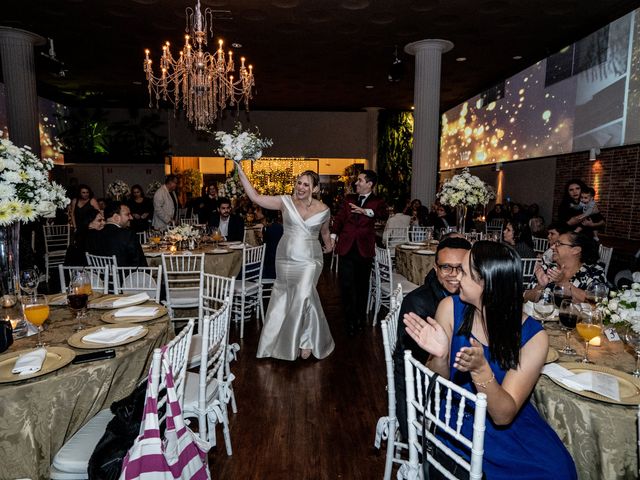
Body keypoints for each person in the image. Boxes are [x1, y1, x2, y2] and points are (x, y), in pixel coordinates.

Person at [403, 241, 577, 479]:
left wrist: (482, 372)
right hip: (459, 416)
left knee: (558, 469)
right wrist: (441, 356)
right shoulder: (449, 308)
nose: (455, 278)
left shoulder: (534, 337)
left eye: (463, 272)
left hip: (510, 424)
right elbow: (437, 388)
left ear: (487, 282)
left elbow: (504, 415)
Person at [236, 164, 334, 361]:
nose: (300, 187)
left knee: (304, 296)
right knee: (283, 297)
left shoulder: (324, 209)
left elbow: (324, 231)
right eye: (299, 183)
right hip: (285, 258)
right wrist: (239, 169)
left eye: (306, 184)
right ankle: (275, 341)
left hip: (310, 260)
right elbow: (255, 197)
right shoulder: (285, 202)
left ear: (314, 188)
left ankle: (305, 341)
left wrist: (329, 245)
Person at [392, 236, 472, 440]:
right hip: (426, 387)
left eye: (461, 268)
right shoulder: (419, 303)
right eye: (446, 268)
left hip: (457, 377)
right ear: (436, 269)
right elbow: (412, 366)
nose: (454, 275)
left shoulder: (472, 296)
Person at [331, 170, 388, 336]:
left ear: (369, 184)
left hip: (364, 250)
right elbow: (340, 218)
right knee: (346, 286)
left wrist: (366, 212)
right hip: (346, 248)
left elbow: (384, 215)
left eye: (360, 181)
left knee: (362, 287)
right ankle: (349, 321)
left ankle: (360, 320)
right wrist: (333, 235)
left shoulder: (378, 201)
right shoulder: (349, 199)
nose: (356, 183)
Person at [525, 231, 606, 303]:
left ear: (576, 250)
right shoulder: (547, 269)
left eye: (558, 244)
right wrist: (540, 286)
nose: (552, 247)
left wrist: (563, 282)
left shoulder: (593, 272)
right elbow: (525, 299)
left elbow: (597, 302)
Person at [88, 201, 147, 267]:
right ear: (116, 217)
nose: (131, 218)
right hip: (126, 276)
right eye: (127, 214)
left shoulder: (94, 235)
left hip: (102, 276)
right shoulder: (128, 235)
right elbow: (139, 262)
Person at [262, 209, 284, 280]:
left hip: (269, 262)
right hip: (279, 259)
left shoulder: (268, 229)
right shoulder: (280, 227)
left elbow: (265, 244)